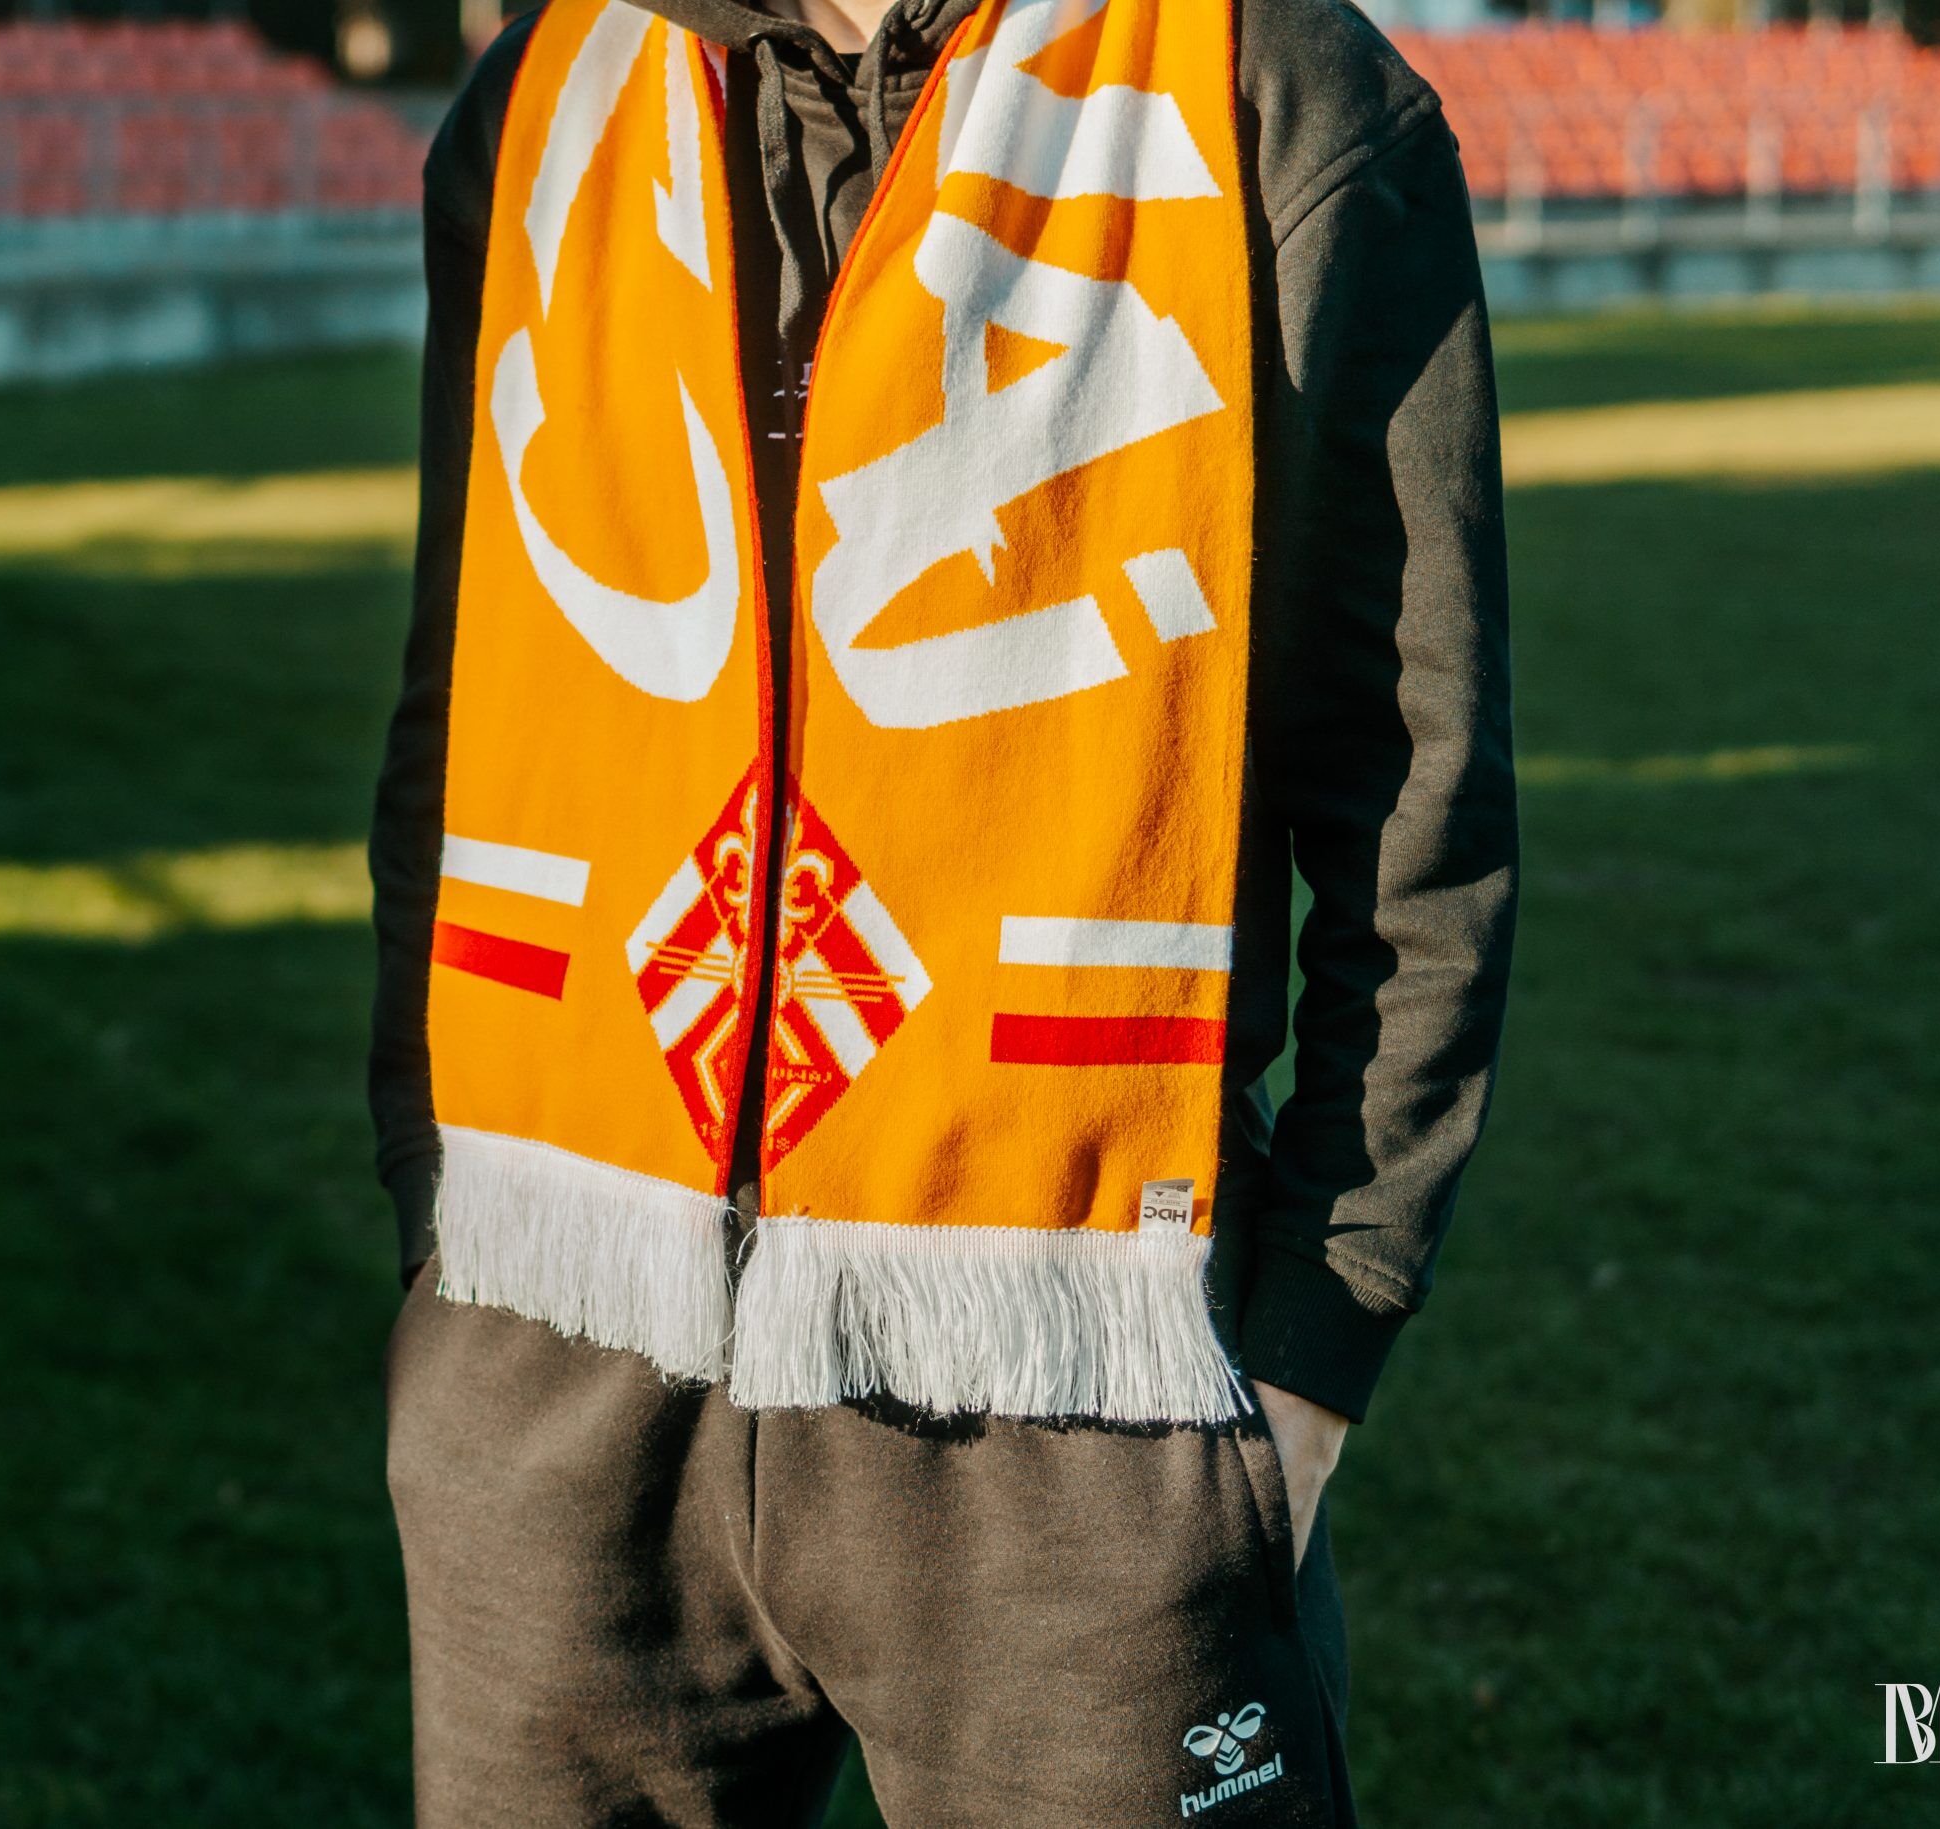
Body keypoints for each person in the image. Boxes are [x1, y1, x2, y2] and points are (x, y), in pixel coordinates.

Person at [367, 0, 1515, 1819]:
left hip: (1078, 1405)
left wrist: (1318, 1337)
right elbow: (459, 704)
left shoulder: (1273, 86)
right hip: (559, 1349)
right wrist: (442, 1232)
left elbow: (1408, 786)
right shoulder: (537, 96)